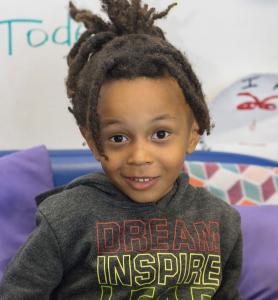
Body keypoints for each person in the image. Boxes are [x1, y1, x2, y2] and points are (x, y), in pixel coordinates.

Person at [0, 0, 243, 299]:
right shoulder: (66, 219)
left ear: (193, 135)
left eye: (161, 134)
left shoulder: (221, 221)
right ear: (92, 140)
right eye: (118, 138)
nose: (140, 157)